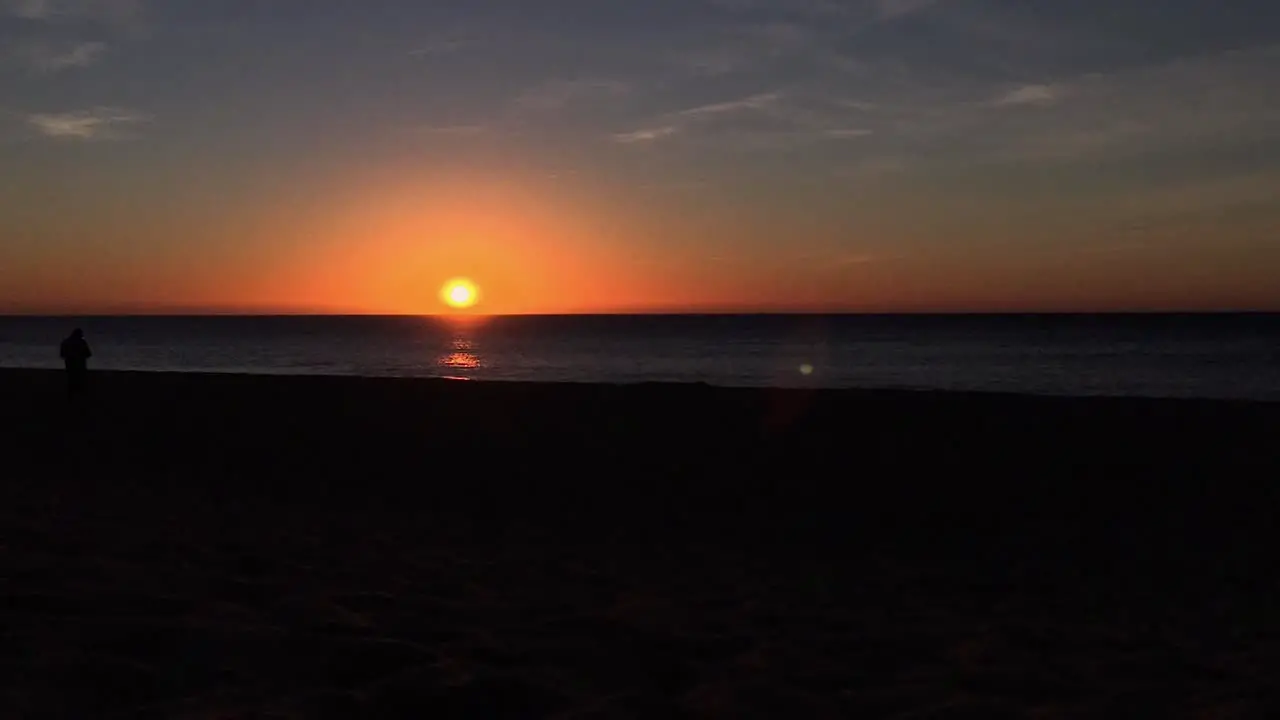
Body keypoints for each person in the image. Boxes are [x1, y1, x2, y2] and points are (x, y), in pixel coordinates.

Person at [59, 328, 93, 399]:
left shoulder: (65, 342)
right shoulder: (82, 342)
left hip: (69, 365)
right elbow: (88, 354)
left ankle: (70, 397)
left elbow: (62, 355)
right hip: (80, 366)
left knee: (71, 381)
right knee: (80, 382)